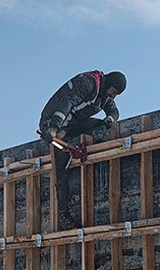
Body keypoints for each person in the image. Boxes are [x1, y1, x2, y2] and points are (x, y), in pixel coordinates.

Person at [38, 70, 126, 230]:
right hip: (55, 123)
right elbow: (67, 102)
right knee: (61, 167)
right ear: (110, 85)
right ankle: (63, 215)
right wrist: (52, 128)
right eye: (114, 92)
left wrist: (110, 119)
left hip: (73, 124)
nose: (113, 97)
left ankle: (90, 148)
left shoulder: (104, 96)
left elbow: (114, 111)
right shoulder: (89, 83)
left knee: (100, 126)